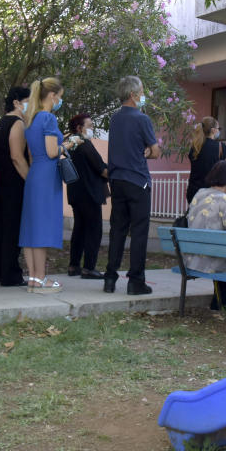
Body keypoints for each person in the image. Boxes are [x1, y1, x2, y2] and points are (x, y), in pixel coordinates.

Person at [18, 77, 81, 293]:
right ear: (52, 95)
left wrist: (57, 142)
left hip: (35, 174)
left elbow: (36, 151)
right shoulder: (48, 118)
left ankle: (33, 279)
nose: (59, 101)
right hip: (47, 176)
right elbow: (53, 152)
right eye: (60, 97)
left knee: (30, 228)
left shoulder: (31, 119)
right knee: (43, 228)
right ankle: (41, 279)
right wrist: (69, 144)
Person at [103, 75, 161, 295]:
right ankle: (135, 280)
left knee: (117, 230)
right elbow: (155, 150)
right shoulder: (142, 118)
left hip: (117, 179)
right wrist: (146, 151)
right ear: (132, 95)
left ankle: (110, 278)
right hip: (137, 180)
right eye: (141, 92)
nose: (143, 96)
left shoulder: (115, 119)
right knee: (138, 231)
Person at [185, 160, 226, 311]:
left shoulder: (199, 194)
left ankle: (219, 302)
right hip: (215, 259)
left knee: (222, 250)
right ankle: (225, 304)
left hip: (193, 257)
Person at [0, 86, 30, 287]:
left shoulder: (3, 122)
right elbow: (16, 156)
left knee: (2, 227)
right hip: (13, 183)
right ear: (16, 102)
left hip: (1, 181)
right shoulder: (17, 123)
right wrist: (29, 181)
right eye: (28, 100)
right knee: (12, 228)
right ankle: (11, 274)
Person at [65, 113, 107, 279]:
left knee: (79, 229)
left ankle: (73, 266)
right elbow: (101, 168)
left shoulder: (71, 144)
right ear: (79, 128)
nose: (92, 129)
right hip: (89, 193)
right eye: (89, 126)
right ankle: (89, 267)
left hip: (76, 192)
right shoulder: (84, 144)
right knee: (94, 230)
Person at [186, 116, 226, 204]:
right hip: (214, 194)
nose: (219, 131)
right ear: (213, 130)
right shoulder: (221, 147)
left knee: (195, 217)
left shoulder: (195, 147)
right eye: (219, 128)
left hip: (194, 193)